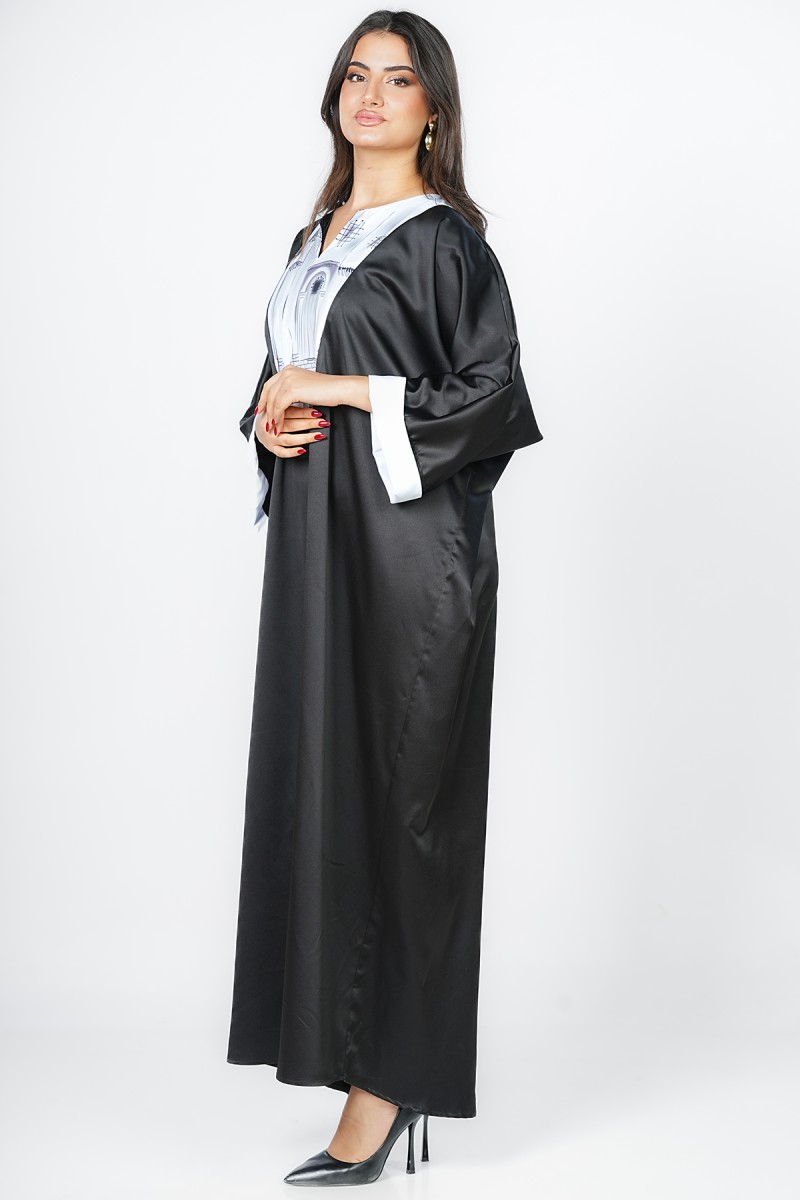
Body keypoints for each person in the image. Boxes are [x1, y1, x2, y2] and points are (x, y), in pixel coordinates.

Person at [226, 9, 544, 1187]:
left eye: (397, 79)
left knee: (408, 804)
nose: (369, 94)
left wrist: (347, 390)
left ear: (432, 111)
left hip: (415, 565)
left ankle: (392, 1079)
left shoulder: (446, 245)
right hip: (319, 555)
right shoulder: (314, 237)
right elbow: (283, 381)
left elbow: (491, 396)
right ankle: (347, 1053)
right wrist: (269, 416)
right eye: (354, 75)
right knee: (327, 789)